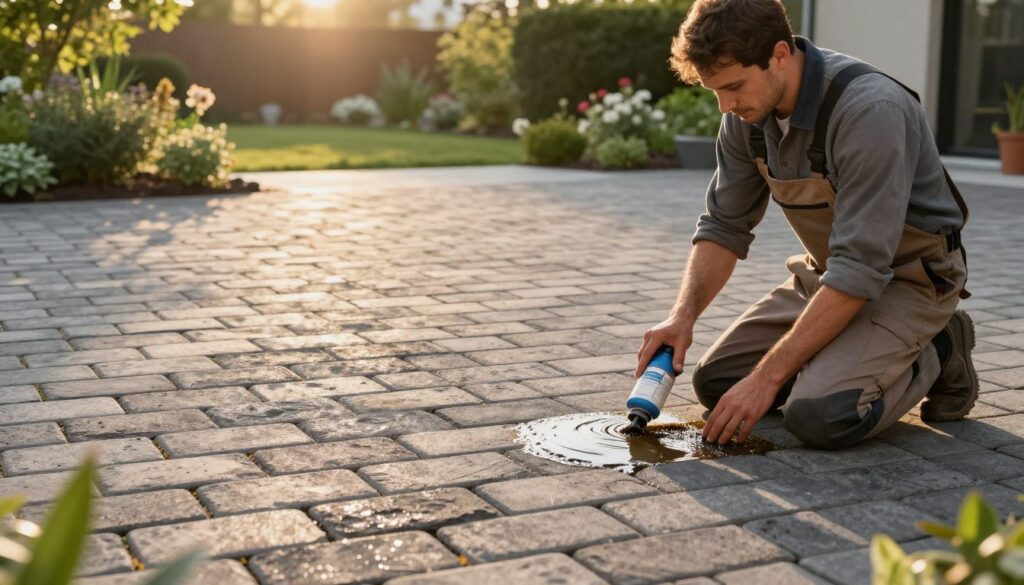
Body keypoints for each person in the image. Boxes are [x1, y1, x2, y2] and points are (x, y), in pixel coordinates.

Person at [634, 0, 976, 450]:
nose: (726, 106)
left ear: (779, 54)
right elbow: (723, 226)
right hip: (828, 276)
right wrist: (683, 317)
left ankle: (942, 346)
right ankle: (844, 353)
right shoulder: (745, 115)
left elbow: (860, 268)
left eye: (734, 86)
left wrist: (767, 378)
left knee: (822, 415)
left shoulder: (869, 110)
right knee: (718, 382)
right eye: (713, 90)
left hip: (911, 280)